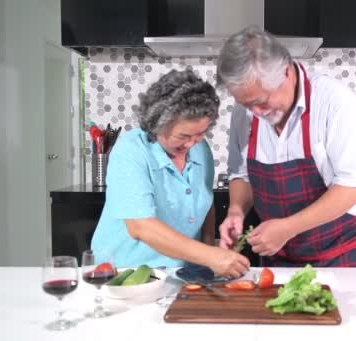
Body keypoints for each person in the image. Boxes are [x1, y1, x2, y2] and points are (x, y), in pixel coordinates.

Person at [216, 26, 356, 267]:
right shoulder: (246, 113)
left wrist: (288, 228)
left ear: (286, 72)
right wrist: (236, 211)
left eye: (260, 102)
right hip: (278, 257)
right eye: (246, 104)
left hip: (339, 255)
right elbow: (241, 174)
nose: (255, 113)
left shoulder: (335, 102)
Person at [92, 69, 250, 278]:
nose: (192, 143)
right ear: (157, 123)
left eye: (201, 133)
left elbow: (204, 198)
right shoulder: (130, 151)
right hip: (124, 273)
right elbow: (140, 226)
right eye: (183, 135)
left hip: (181, 272)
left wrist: (211, 242)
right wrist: (211, 256)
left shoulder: (200, 149)